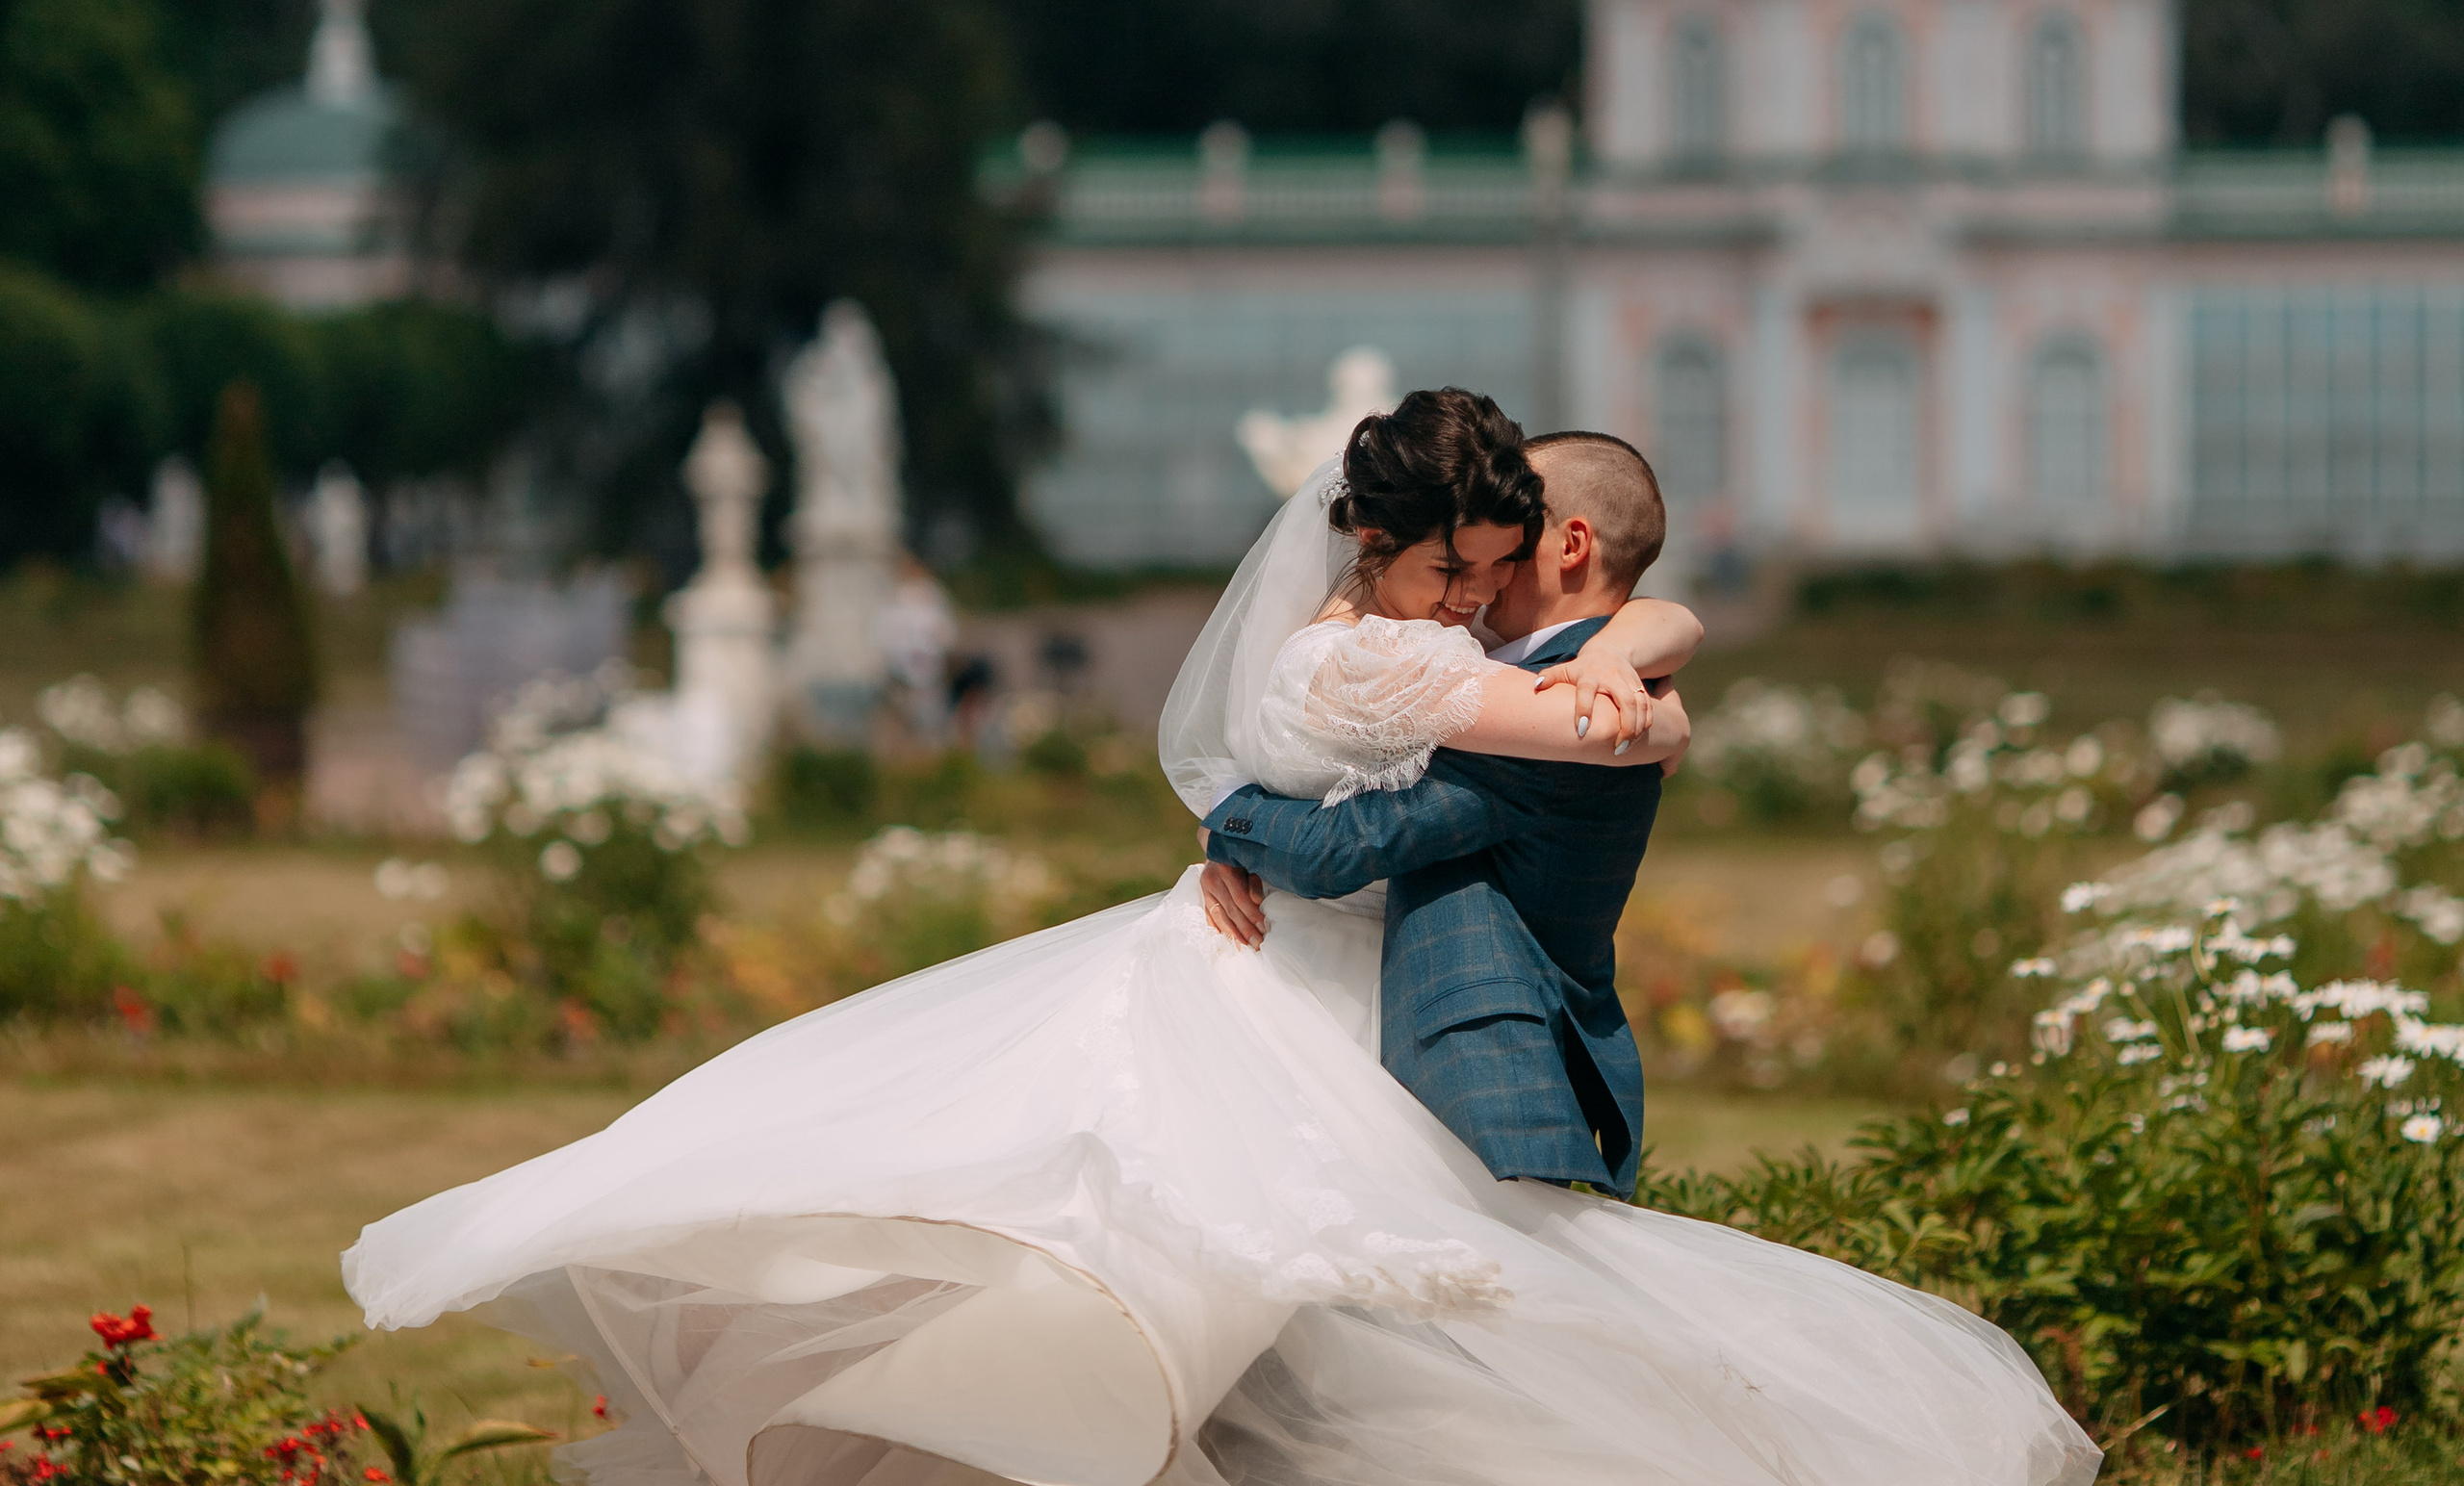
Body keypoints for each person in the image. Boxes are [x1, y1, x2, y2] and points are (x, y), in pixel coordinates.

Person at [342, 387, 2097, 1486]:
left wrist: (1644, 660)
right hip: (1288, 979)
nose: (1479, 601)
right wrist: (1631, 695)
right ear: (1400, 548)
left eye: (1497, 573)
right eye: (1460, 570)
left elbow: (1564, 695)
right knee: (1234, 1260)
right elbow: (1533, 739)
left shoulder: (1402, 644)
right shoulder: (1403, 660)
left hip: (1291, 966)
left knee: (1243, 1274)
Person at [1196, 429, 1684, 1193]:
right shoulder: (1595, 670)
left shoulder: (1567, 704)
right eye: (1464, 560)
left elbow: (1341, 847)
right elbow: (1668, 622)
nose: (1484, 586)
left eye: (1510, 549)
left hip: (1484, 1049)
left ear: (1571, 544)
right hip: (1421, 1007)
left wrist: (1225, 820)